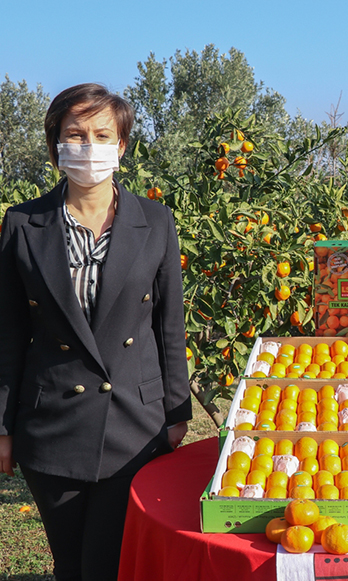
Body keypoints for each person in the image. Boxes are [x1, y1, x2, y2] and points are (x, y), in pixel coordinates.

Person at [0, 83, 192, 580]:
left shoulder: (156, 221)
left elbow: (169, 324)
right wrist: (2, 427)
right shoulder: (23, 224)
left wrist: (177, 410)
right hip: (52, 427)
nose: (88, 147)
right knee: (71, 564)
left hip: (136, 424)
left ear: (122, 145)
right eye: (75, 134)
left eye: (102, 134)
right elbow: (8, 332)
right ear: (55, 146)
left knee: (111, 564)